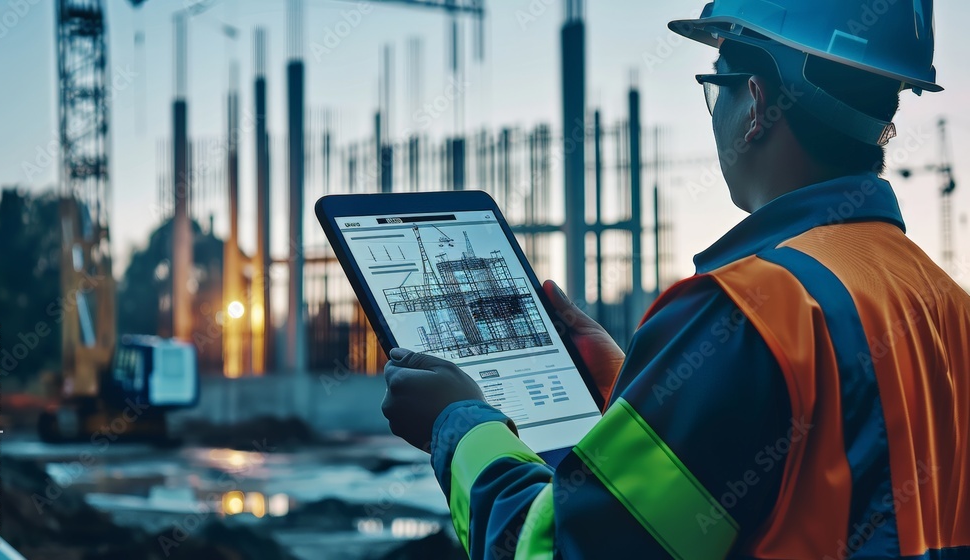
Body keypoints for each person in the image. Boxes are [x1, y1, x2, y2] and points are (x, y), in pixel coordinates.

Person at [381, 1, 970, 557]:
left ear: (757, 104)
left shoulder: (749, 311)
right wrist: (633, 386)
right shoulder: (947, 305)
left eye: (715, 87)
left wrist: (455, 423)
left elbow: (553, 547)